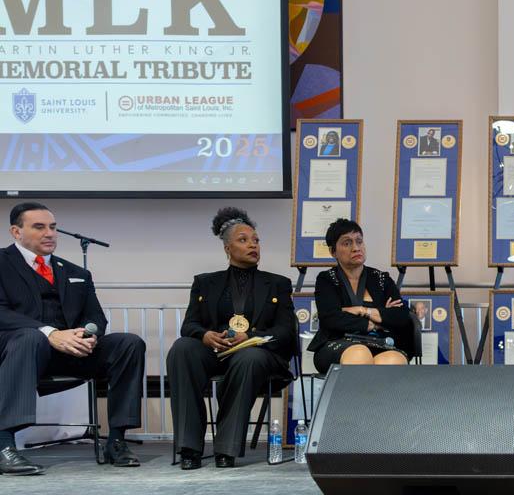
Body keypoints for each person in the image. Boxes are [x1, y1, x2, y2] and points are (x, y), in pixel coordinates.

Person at [0, 202, 145, 475]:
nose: (50, 234)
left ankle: (116, 441)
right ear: (16, 232)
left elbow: (97, 319)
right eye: (39, 227)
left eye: (53, 227)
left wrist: (86, 335)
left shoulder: (77, 272)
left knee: (129, 343)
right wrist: (51, 334)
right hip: (18, 350)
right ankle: (4, 446)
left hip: (71, 352)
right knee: (30, 338)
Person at [166, 207, 296, 470]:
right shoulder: (205, 282)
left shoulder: (278, 283)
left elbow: (286, 331)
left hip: (259, 356)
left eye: (256, 240)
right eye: (243, 240)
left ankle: (226, 448)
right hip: (217, 353)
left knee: (248, 357)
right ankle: (189, 447)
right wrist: (205, 336)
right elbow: (189, 325)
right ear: (227, 248)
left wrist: (252, 336)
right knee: (182, 349)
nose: (253, 245)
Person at [308, 219, 414, 372]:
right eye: (347, 243)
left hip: (381, 342)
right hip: (337, 343)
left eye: (359, 241)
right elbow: (331, 318)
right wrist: (377, 321)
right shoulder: (326, 279)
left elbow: (401, 316)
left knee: (393, 361)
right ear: (333, 251)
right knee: (359, 354)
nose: (356, 248)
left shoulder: (381, 278)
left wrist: (362, 311)